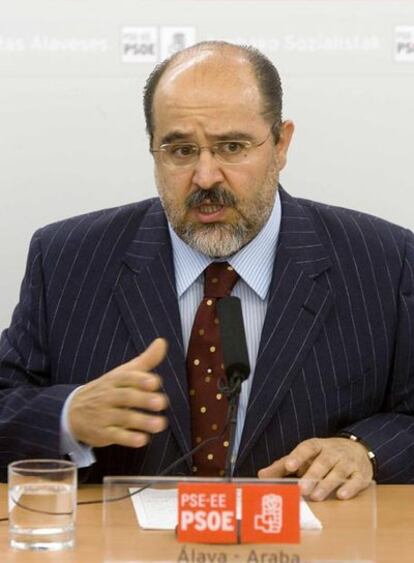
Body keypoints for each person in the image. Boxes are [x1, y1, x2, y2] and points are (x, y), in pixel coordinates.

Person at [1, 41, 413, 501]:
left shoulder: (382, 261)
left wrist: (365, 450)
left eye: (232, 147)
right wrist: (66, 415)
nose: (205, 177)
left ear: (281, 144)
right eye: (180, 150)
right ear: (153, 151)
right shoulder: (67, 261)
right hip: (125, 537)